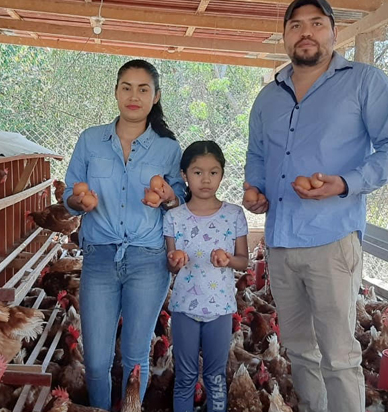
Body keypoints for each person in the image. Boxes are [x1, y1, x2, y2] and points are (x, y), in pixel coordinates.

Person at [243, 0, 388, 412]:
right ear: (285, 36)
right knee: (299, 350)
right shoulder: (269, 97)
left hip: (332, 239)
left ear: (334, 32)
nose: (306, 32)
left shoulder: (364, 82)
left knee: (339, 355)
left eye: (317, 23)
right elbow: (257, 155)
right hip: (281, 242)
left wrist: (345, 183)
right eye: (296, 25)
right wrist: (255, 189)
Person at [63, 59, 186, 410]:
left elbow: (179, 199)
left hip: (148, 260)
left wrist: (169, 196)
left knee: (135, 356)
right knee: (98, 360)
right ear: (116, 92)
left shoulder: (168, 148)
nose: (134, 96)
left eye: (143, 89)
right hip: (100, 257)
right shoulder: (91, 140)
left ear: (156, 96)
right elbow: (70, 194)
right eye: (127, 87)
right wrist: (77, 200)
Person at [163, 141, 249, 412]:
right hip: (184, 307)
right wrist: (175, 260)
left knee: (215, 378)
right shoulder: (174, 217)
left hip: (220, 308)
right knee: (185, 377)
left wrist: (228, 260)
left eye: (213, 172)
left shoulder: (234, 214)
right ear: (184, 174)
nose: (206, 179)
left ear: (222, 174)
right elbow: (171, 265)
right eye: (197, 172)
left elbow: (243, 261)